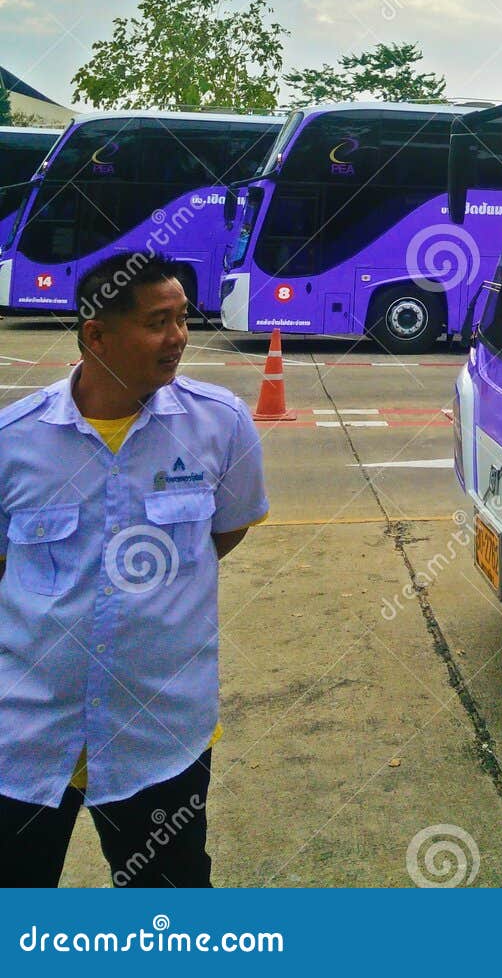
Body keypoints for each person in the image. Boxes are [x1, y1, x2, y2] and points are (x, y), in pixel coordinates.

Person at [0, 251, 267, 887]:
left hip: (159, 731)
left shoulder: (221, 424)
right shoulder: (14, 440)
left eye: (183, 319)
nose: (179, 338)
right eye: (157, 323)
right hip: (26, 732)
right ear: (97, 336)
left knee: (169, 902)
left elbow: (224, 531)